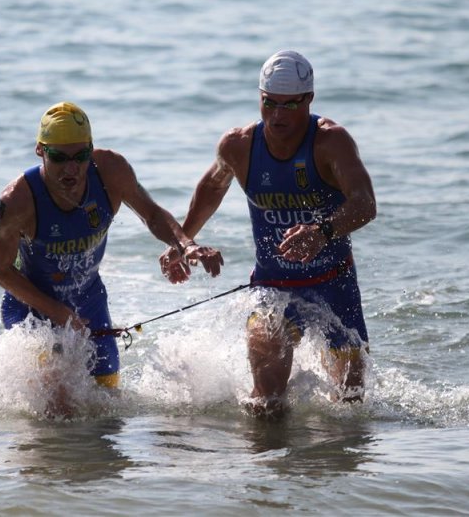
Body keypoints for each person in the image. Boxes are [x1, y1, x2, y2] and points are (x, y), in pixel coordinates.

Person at [160, 50, 376, 417]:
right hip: (272, 289)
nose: (277, 116)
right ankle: (266, 471)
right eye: (269, 103)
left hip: (334, 285)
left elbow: (364, 203)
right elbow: (212, 188)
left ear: (309, 99)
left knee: (350, 409)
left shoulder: (330, 142)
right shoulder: (239, 145)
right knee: (266, 405)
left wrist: (322, 231)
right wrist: (182, 243)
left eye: (289, 106)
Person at [0, 101, 223, 413]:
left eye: (80, 156)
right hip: (33, 310)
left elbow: (150, 213)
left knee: (105, 410)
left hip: (90, 302)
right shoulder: (17, 200)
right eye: (59, 158)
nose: (71, 168)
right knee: (59, 410)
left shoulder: (111, 170)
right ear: (40, 151)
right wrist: (59, 313)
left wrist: (185, 244)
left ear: (91, 149)